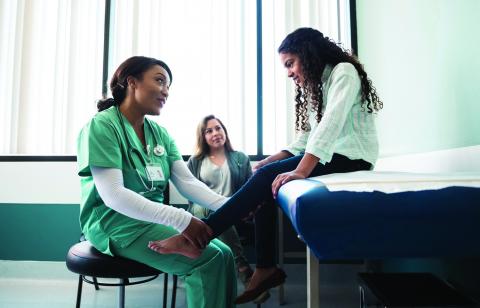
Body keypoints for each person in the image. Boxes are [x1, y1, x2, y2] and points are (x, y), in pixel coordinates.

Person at [149, 27, 383, 304]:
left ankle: (199, 236)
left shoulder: (343, 71)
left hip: (352, 157)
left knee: (273, 175)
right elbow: (305, 138)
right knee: (268, 178)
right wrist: (271, 161)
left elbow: (329, 127)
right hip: (331, 155)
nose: (289, 73)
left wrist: (301, 169)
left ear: (308, 55)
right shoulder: (316, 88)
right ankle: (266, 267)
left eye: (290, 63)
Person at [76, 56, 237, 308]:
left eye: (168, 86)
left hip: (151, 220)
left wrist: (231, 206)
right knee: (209, 259)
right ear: (132, 82)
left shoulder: (159, 133)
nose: (166, 92)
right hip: (115, 224)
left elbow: (187, 183)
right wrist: (182, 220)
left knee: (225, 254)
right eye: (160, 81)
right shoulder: (102, 126)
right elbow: (113, 195)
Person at [187, 115, 270, 303]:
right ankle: (244, 270)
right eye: (209, 131)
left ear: (224, 131)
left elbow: (250, 191)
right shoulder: (195, 161)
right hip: (202, 215)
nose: (215, 133)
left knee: (221, 213)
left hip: (234, 214)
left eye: (218, 128)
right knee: (205, 207)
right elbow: (191, 195)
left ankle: (237, 274)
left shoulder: (240, 158)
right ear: (203, 136)